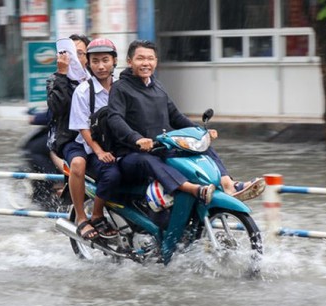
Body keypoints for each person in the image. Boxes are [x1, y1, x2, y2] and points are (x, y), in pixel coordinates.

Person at [107, 39, 265, 204]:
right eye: (140, 58)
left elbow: (175, 116)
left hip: (162, 147)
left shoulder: (157, 86)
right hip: (132, 155)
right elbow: (115, 118)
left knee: (203, 145)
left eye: (150, 58)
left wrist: (200, 133)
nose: (146, 63)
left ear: (156, 61)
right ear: (130, 61)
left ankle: (228, 184)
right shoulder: (120, 88)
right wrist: (136, 139)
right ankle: (194, 190)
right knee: (148, 160)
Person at [67, 38, 121, 240]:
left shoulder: (122, 87)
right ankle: (89, 216)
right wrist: (99, 151)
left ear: (114, 61)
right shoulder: (83, 91)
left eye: (105, 60)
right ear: (88, 63)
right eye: (95, 61)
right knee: (106, 173)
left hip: (116, 144)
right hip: (89, 147)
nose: (101, 66)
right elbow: (83, 127)